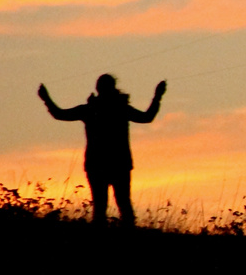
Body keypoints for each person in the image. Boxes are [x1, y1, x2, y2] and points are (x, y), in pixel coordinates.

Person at [38, 74, 165, 226]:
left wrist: (46, 99)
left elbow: (59, 114)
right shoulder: (120, 108)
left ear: (98, 89)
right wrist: (157, 97)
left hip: (97, 164)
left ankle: (101, 238)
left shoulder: (91, 109)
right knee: (123, 203)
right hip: (118, 163)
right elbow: (147, 117)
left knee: (101, 206)